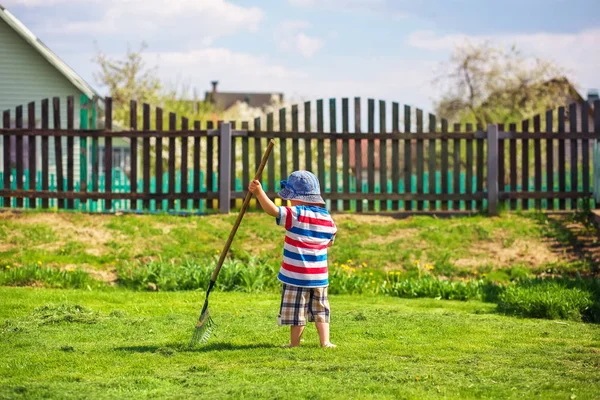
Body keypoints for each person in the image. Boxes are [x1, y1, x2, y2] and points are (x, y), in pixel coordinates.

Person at [248, 170, 337, 348]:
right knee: (321, 309)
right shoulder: (327, 218)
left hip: (296, 276)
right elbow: (330, 241)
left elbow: (273, 210)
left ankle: (294, 343)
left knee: (297, 311)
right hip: (319, 277)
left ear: (296, 197)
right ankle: (325, 341)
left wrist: (259, 193)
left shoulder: (296, 214)